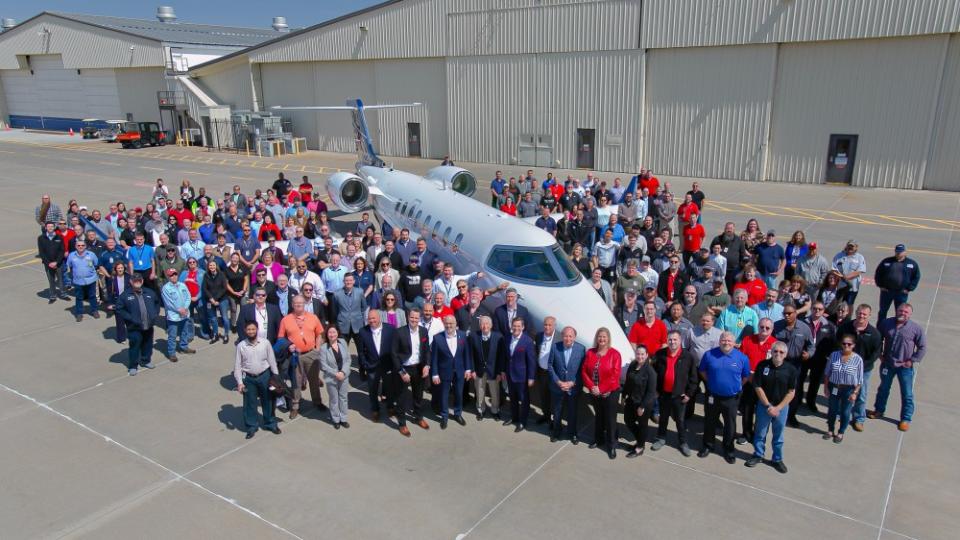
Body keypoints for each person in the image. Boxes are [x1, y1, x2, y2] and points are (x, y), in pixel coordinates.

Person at [869, 303, 926, 431]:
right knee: (883, 388)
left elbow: (922, 347)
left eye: (906, 312)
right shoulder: (886, 323)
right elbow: (878, 340)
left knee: (907, 393)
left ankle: (905, 419)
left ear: (910, 314)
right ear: (896, 310)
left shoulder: (916, 329)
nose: (902, 313)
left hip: (905, 367)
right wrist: (880, 355)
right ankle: (878, 410)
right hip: (888, 364)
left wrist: (912, 360)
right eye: (901, 310)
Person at [698, 332, 751, 464]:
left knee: (730, 425)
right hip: (712, 396)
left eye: (729, 341)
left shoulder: (742, 358)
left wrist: (736, 386)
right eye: (723, 340)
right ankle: (708, 445)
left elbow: (746, 377)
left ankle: (728, 449)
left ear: (734, 343)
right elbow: (702, 371)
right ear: (719, 341)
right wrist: (710, 382)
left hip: (731, 398)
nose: (726, 343)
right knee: (710, 422)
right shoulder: (709, 354)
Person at [745, 341, 796, 473]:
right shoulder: (762, 366)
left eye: (781, 352)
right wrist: (768, 405)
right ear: (771, 352)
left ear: (785, 355)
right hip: (764, 406)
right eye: (775, 351)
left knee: (778, 435)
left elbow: (791, 392)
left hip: (781, 408)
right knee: (760, 433)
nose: (778, 354)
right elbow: (757, 386)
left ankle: (777, 459)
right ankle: (758, 454)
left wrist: (778, 408)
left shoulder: (791, 370)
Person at [278, 295, 326, 419]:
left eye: (301, 303)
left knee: (314, 380)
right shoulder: (286, 320)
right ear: (292, 305)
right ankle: (295, 406)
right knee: (296, 382)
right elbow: (280, 337)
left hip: (311, 354)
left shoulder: (313, 317)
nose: (298, 305)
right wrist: (288, 346)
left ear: (304, 304)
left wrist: (317, 348)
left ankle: (317, 401)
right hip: (295, 356)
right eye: (296, 303)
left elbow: (319, 334)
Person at [651, 332, 697, 457]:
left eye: (675, 340)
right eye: (670, 340)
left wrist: (689, 394)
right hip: (663, 394)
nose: (672, 342)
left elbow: (693, 378)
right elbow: (653, 373)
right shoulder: (660, 354)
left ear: (680, 340)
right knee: (663, 418)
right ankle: (661, 438)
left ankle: (683, 442)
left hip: (679, 396)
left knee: (680, 420)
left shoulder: (688, 357)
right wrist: (654, 390)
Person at [234, 320, 281, 439]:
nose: (251, 331)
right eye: (248, 329)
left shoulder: (265, 343)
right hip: (249, 379)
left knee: (268, 401)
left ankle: (270, 423)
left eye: (253, 329)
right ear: (245, 331)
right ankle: (251, 426)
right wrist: (240, 383)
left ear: (257, 329)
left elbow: (272, 360)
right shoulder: (241, 346)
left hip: (265, 376)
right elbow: (237, 366)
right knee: (250, 403)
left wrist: (276, 376)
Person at [581, 327, 622, 459]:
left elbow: (615, 376)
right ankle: (598, 439)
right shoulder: (590, 353)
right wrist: (592, 387)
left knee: (610, 419)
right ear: (596, 338)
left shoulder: (615, 354)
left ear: (608, 338)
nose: (602, 339)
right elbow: (584, 372)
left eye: (604, 337)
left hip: (611, 392)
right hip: (595, 392)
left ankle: (612, 445)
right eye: (600, 336)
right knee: (599, 416)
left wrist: (602, 389)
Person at [842, 305, 883, 432]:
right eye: (860, 313)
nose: (862, 316)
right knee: (844, 392)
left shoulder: (874, 333)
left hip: (864, 370)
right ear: (856, 313)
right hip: (845, 366)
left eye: (865, 314)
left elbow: (876, 352)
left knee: (861, 395)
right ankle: (843, 414)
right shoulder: (846, 327)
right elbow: (838, 342)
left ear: (869, 316)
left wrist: (862, 366)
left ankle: (859, 419)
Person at [773, 305, 814, 427]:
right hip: (779, 362)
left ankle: (791, 416)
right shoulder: (777, 326)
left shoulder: (804, 328)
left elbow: (811, 345)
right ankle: (776, 412)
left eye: (790, 313)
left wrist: (809, 354)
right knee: (777, 388)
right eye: (785, 313)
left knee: (794, 390)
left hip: (796, 363)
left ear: (795, 313)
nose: (787, 315)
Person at [738, 318, 777, 444]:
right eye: (762, 327)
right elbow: (741, 360)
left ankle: (759, 435)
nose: (764, 330)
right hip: (749, 382)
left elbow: (777, 365)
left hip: (765, 385)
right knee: (747, 409)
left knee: (762, 412)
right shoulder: (748, 340)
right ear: (758, 327)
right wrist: (747, 375)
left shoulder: (775, 344)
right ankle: (746, 434)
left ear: (772, 329)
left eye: (767, 328)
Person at [430, 315, 473, 429]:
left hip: (459, 371)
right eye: (447, 324)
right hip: (444, 371)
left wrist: (468, 369)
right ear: (444, 324)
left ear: (455, 324)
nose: (449, 326)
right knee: (444, 395)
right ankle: (444, 417)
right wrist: (435, 374)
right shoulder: (437, 338)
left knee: (459, 394)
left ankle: (457, 414)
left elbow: (466, 354)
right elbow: (434, 358)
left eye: (451, 323)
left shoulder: (463, 335)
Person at [393, 309, 431, 430]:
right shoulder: (399, 332)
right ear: (408, 317)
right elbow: (394, 354)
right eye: (412, 318)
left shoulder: (424, 332)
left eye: (416, 318)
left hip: (419, 367)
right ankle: (402, 423)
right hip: (405, 368)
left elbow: (427, 351)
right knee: (402, 397)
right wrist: (401, 371)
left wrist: (427, 365)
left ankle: (418, 417)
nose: (414, 320)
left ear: (419, 318)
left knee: (418, 395)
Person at [115, 273, 160, 376]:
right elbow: (119, 309)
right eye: (135, 280)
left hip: (148, 325)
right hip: (134, 327)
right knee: (135, 346)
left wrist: (154, 314)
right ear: (131, 282)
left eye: (139, 280)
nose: (137, 282)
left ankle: (146, 360)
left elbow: (157, 302)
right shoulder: (125, 295)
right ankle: (133, 366)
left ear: (142, 281)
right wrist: (130, 318)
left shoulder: (149, 292)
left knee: (148, 344)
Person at [822, 335, 864, 443]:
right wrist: (826, 387)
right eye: (844, 343)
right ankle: (830, 430)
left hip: (848, 389)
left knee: (845, 412)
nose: (846, 346)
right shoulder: (834, 355)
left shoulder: (858, 359)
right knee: (832, 410)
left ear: (853, 345)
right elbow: (827, 372)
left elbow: (860, 379)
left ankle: (841, 432)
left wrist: (855, 393)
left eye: (849, 344)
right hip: (834, 386)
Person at [358, 310, 397, 424]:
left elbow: (395, 347)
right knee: (373, 390)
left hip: (387, 365)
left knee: (389, 388)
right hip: (372, 366)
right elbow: (361, 351)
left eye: (374, 318)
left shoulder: (390, 329)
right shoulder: (363, 331)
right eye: (369, 319)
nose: (372, 321)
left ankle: (390, 407)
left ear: (379, 318)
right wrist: (365, 364)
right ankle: (375, 410)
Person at [548, 326, 585, 444]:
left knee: (572, 412)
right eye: (565, 336)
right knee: (557, 411)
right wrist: (558, 381)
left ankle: (572, 433)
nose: (567, 338)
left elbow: (582, 370)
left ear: (574, 337)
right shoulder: (555, 347)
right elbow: (550, 366)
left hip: (573, 387)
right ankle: (556, 431)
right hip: (558, 386)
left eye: (570, 336)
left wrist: (573, 382)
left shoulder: (581, 349)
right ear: (562, 336)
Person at [501, 317, 536, 432]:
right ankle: (514, 417)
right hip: (510, 374)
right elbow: (505, 357)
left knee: (524, 400)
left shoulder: (527, 341)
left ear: (523, 327)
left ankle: (523, 421)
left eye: (518, 326)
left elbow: (531, 360)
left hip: (522, 376)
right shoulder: (507, 338)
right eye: (514, 326)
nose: (516, 328)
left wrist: (531, 377)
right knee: (513, 398)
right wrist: (503, 371)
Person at [468, 315, 505, 421]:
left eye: (487, 323)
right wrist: (472, 370)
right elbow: (470, 355)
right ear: (479, 325)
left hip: (493, 371)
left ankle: (495, 410)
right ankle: (481, 410)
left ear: (491, 325)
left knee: (494, 392)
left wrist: (500, 372)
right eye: (482, 324)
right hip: (478, 370)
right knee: (480, 391)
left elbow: (501, 356)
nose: (485, 326)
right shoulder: (474, 336)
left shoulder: (498, 337)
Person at [623, 345, 657, 458]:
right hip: (631, 400)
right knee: (628, 420)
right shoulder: (633, 365)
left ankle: (640, 447)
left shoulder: (650, 372)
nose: (640, 356)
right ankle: (640, 440)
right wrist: (623, 396)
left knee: (642, 425)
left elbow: (651, 392)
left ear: (647, 355)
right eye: (638, 354)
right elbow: (628, 382)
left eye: (642, 354)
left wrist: (642, 406)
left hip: (643, 403)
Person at [873, 244, 921, 322]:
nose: (899, 253)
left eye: (901, 252)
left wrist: (909, 288)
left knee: (900, 312)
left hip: (901, 293)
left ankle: (898, 328)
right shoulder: (886, 261)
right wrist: (880, 285)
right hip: (887, 292)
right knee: (883, 311)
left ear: (905, 252)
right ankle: (880, 328)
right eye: (897, 252)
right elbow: (878, 273)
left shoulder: (912, 264)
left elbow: (916, 276)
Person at [318, 325, 351, 429]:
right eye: (330, 333)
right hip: (331, 378)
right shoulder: (324, 348)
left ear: (338, 333)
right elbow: (323, 365)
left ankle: (343, 418)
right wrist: (336, 373)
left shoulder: (343, 342)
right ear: (327, 335)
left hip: (344, 376)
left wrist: (343, 372)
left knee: (343, 398)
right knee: (334, 399)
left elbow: (348, 359)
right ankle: (336, 419)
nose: (332, 334)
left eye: (334, 332)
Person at [161, 267, 195, 362]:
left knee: (184, 332)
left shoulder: (182, 285)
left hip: (184, 314)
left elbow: (188, 296)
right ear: (168, 277)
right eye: (171, 275)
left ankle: (184, 347)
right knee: (172, 335)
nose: (174, 276)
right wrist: (179, 309)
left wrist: (185, 308)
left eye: (175, 274)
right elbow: (169, 303)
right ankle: (171, 353)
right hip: (173, 316)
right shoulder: (166, 288)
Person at [66, 240, 101, 322]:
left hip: (91, 280)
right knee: (79, 298)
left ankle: (94, 310)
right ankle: (79, 313)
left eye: (82, 245)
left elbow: (96, 264)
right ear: (75, 246)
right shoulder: (71, 256)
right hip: (78, 281)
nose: (80, 247)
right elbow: (69, 265)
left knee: (92, 296)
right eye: (78, 245)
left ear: (85, 246)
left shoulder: (91, 254)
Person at [38, 221, 67, 302]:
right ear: (46, 228)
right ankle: (52, 295)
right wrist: (48, 263)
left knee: (61, 279)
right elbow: (41, 252)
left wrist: (57, 262)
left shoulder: (59, 237)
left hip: (58, 263)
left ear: (54, 227)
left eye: (52, 226)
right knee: (51, 280)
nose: (50, 228)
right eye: (48, 226)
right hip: (48, 264)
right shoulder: (41, 238)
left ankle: (63, 293)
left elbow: (62, 250)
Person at [833, 240, 867, 305]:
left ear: (856, 247)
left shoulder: (860, 257)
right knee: (837, 304)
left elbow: (859, 271)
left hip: (853, 287)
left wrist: (845, 277)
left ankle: (848, 315)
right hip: (840, 286)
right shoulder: (839, 256)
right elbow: (834, 269)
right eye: (849, 246)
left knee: (849, 305)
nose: (850, 248)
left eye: (852, 246)